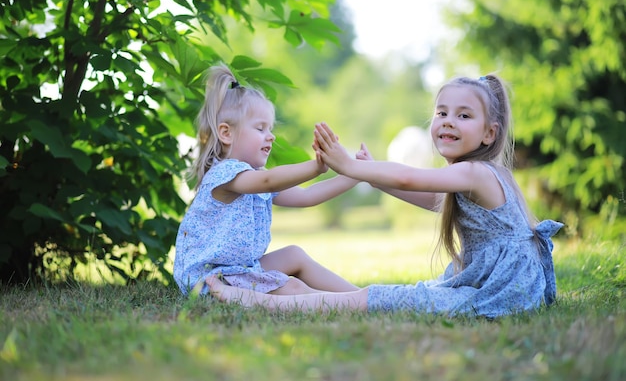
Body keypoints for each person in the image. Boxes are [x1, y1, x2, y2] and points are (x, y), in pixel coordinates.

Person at [206, 74, 564, 318]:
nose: (448, 121)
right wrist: (375, 179)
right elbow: (429, 198)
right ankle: (341, 299)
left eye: (464, 115)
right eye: (442, 113)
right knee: (392, 297)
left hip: (503, 290)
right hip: (507, 285)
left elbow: (410, 178)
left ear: (489, 134)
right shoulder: (476, 175)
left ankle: (250, 299)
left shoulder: (475, 172)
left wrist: (350, 166)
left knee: (382, 298)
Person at [173, 63, 360, 297]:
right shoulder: (224, 175)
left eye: (269, 128)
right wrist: (317, 166)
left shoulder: (255, 179)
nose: (270, 136)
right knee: (293, 287)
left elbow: (306, 196)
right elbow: (269, 181)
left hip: (237, 271)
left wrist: (353, 174)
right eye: (260, 128)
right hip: (210, 281)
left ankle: (365, 295)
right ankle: (353, 301)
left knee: (294, 254)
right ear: (226, 133)